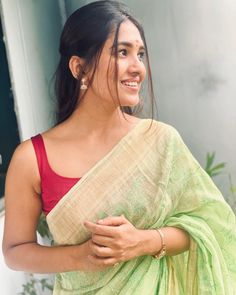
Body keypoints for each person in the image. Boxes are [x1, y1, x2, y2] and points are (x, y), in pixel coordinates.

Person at [2, 1, 236, 294]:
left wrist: (144, 241)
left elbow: (214, 223)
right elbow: (15, 250)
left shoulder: (159, 140)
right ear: (79, 67)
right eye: (122, 52)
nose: (138, 67)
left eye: (140, 54)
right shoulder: (32, 158)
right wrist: (81, 256)